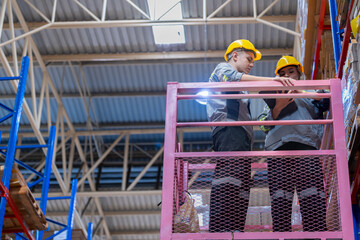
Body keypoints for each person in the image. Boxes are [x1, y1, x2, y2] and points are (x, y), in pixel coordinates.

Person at [206, 40, 294, 233]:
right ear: (235, 55)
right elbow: (230, 77)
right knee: (229, 178)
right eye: (249, 58)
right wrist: (273, 81)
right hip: (229, 130)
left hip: (242, 138)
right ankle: (221, 230)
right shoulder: (223, 69)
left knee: (242, 183)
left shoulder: (241, 83)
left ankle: (235, 229)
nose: (252, 63)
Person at [258, 56, 329, 232]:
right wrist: (278, 107)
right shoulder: (274, 96)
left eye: (291, 72)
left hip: (306, 147)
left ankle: (316, 234)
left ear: (299, 74)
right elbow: (262, 125)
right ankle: (282, 235)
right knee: (280, 197)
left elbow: (327, 100)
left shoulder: (311, 92)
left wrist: (302, 92)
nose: (287, 76)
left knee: (311, 194)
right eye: (282, 74)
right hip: (278, 149)